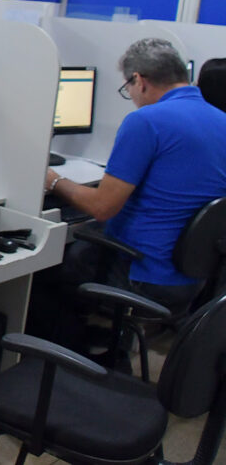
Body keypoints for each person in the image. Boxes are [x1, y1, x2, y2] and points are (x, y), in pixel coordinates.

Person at [33, 38, 226, 349]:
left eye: (128, 89)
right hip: (192, 278)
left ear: (140, 80)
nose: (132, 98)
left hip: (145, 276)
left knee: (43, 268)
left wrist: (54, 182)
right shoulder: (220, 119)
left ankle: (64, 356)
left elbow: (103, 207)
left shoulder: (146, 121)